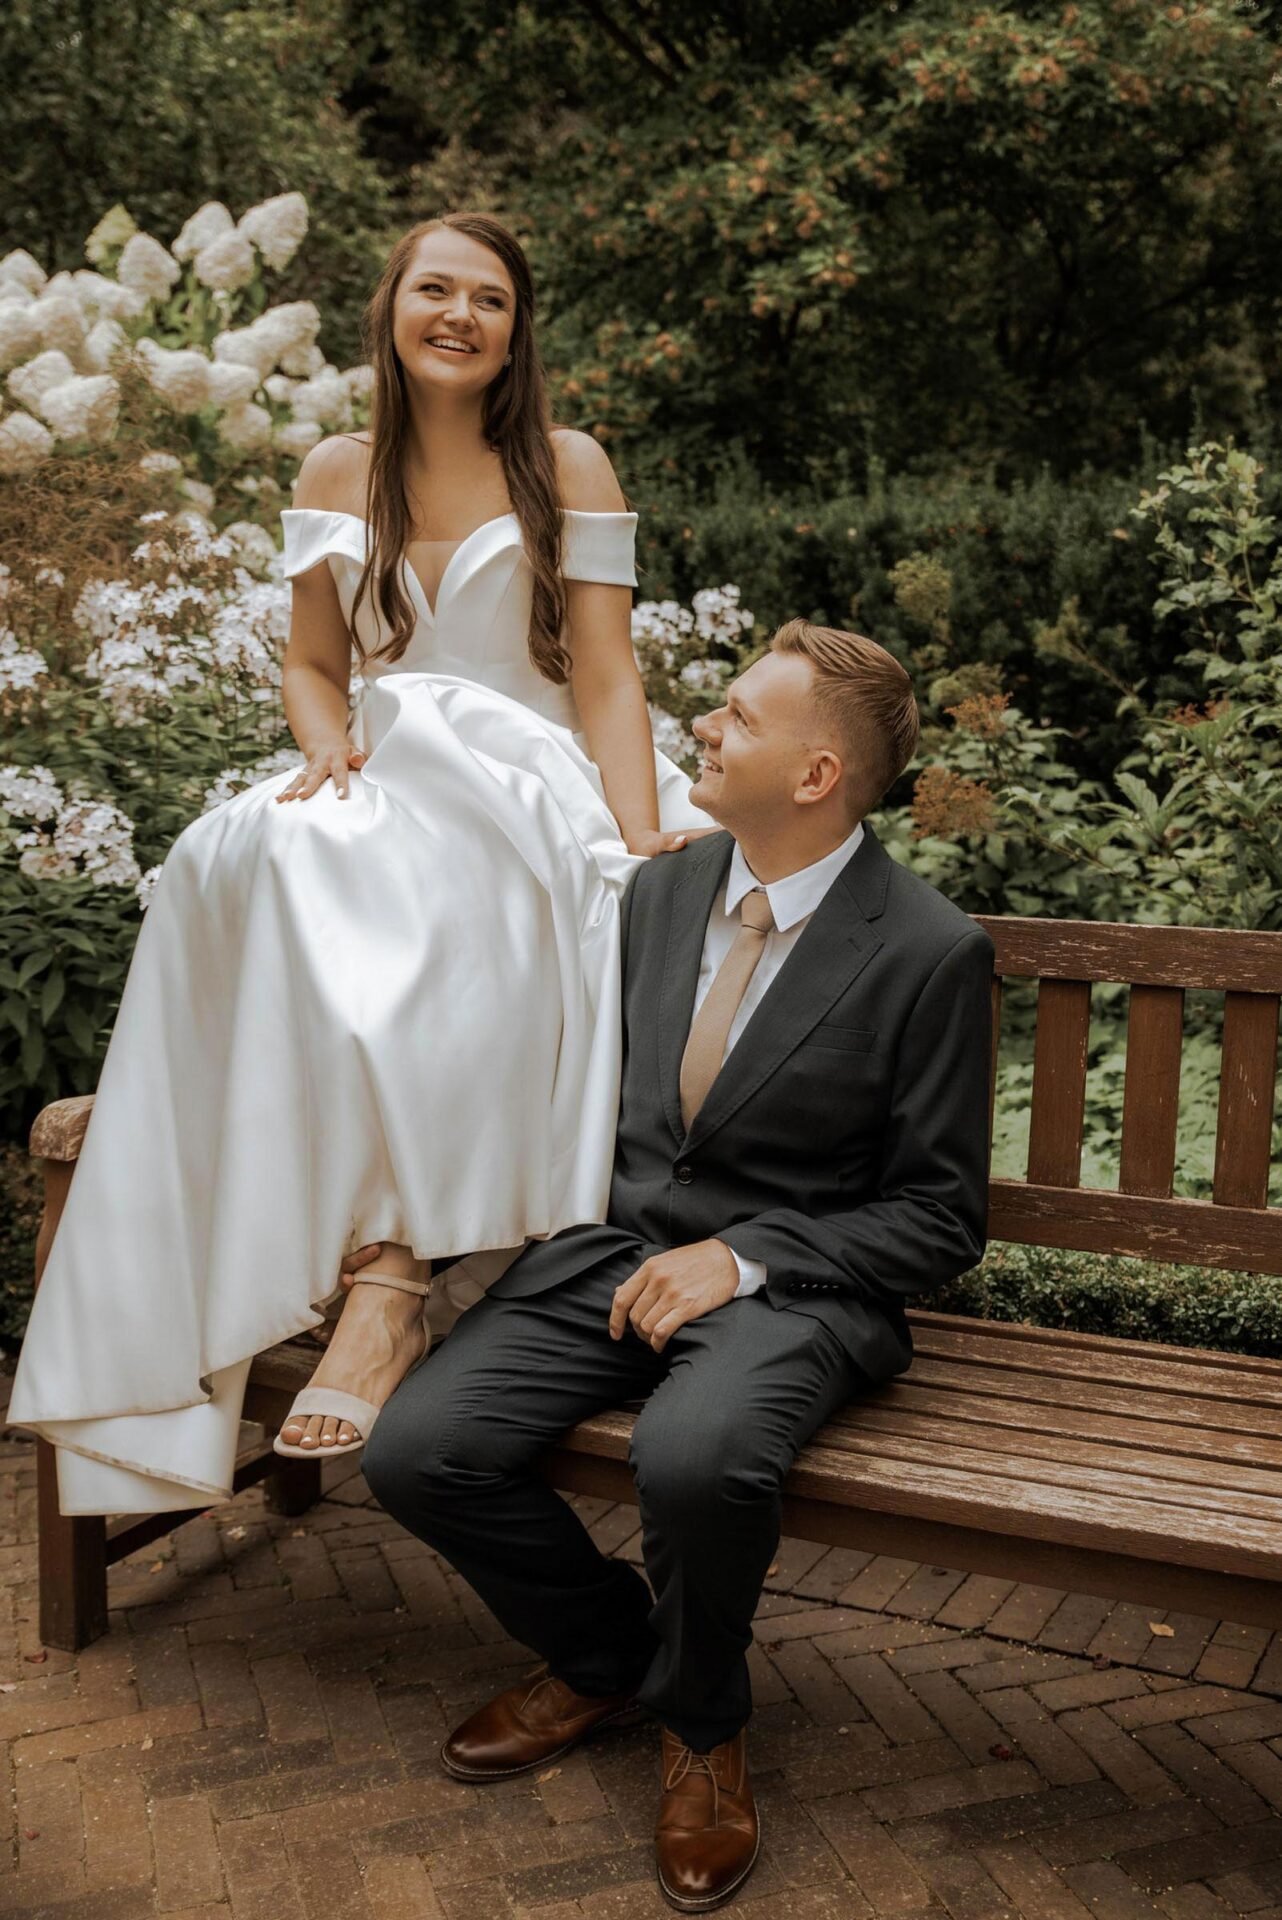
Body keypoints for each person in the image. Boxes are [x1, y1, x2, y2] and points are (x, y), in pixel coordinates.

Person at [9, 211, 705, 1512]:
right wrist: (325, 747)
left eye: (487, 298)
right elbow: (311, 661)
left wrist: (634, 825)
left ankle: (393, 1275)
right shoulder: (337, 469)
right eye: (433, 289)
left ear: (515, 330)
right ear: (390, 308)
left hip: (531, 764)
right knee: (247, 845)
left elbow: (606, 676)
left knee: (500, 891)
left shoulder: (567, 461)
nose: (458, 314)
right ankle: (306, 1242)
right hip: (388, 760)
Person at [361, 618, 994, 1914]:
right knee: (414, 1449)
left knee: (694, 1459)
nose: (704, 726)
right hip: (605, 1256)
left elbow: (937, 1221)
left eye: (739, 717)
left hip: (789, 1291)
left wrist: (746, 1258)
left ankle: (702, 1728)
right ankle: (608, 1661)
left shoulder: (929, 952)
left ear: (816, 776)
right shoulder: (655, 891)